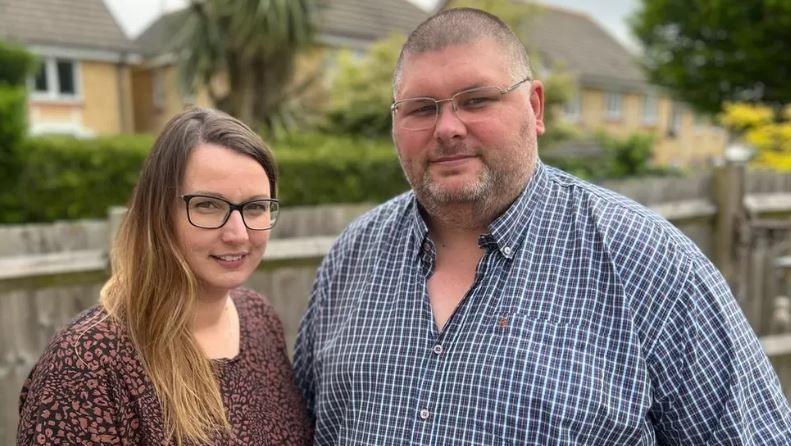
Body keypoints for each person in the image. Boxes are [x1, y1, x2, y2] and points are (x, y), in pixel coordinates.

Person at [294, 8, 791, 445]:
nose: (447, 128)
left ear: (535, 107)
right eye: (421, 109)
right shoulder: (350, 258)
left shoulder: (649, 264)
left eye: (476, 100)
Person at [18, 108, 312, 445]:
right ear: (158, 212)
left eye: (256, 207)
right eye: (208, 205)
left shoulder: (258, 318)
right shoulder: (89, 361)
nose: (238, 233)